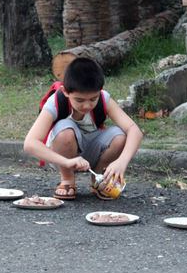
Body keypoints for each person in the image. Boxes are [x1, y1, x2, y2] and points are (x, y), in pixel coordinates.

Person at [23, 57, 143, 200]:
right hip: (62, 157)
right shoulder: (56, 102)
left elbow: (134, 130)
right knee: (65, 130)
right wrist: (67, 162)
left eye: (93, 99)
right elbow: (30, 143)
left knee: (120, 136)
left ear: (100, 91)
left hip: (93, 151)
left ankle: (99, 179)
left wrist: (121, 162)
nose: (87, 106)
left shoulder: (104, 98)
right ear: (66, 92)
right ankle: (67, 180)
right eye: (79, 100)